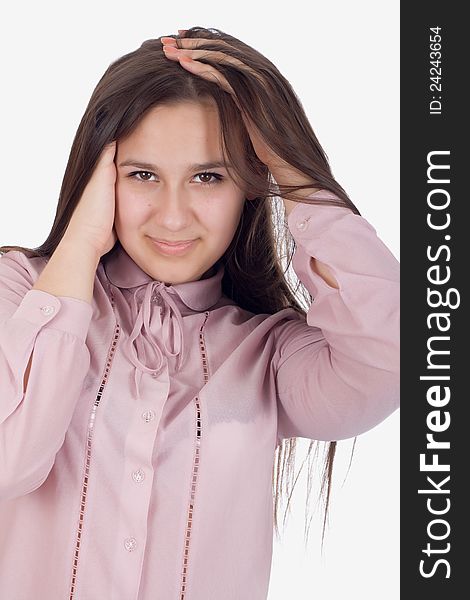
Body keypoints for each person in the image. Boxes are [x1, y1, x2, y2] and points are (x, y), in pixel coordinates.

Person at [0, 26, 399, 600]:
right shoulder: (21, 294)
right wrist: (81, 243)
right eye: (142, 175)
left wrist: (295, 172)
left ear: (252, 183)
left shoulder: (272, 356)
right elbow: (10, 459)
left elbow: (394, 353)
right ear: (99, 174)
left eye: (208, 177)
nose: (172, 217)